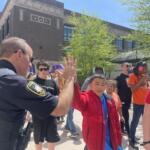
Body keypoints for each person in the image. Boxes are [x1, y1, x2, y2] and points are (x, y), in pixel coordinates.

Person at [0, 37, 76, 150]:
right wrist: (70, 78)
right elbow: (60, 108)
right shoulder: (14, 81)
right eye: (30, 59)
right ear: (19, 54)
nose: (30, 65)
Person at [73, 74, 122, 150]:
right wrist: (73, 83)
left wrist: (119, 139)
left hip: (111, 137)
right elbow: (77, 102)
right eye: (97, 83)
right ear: (90, 85)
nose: (100, 86)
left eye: (103, 84)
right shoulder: (87, 97)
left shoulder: (109, 100)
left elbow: (115, 121)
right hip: (95, 139)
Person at [32, 61, 60, 150]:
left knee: (51, 140)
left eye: (46, 69)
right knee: (38, 141)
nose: (43, 71)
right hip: (37, 116)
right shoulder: (33, 82)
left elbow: (58, 97)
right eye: (41, 69)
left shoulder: (53, 82)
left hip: (51, 115)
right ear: (38, 70)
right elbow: (30, 99)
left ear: (48, 70)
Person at [127, 61, 148, 148]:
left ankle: (146, 140)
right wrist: (142, 80)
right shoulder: (132, 76)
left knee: (146, 122)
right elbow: (133, 89)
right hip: (138, 104)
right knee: (135, 122)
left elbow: (145, 89)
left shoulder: (143, 76)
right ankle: (132, 140)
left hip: (146, 104)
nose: (144, 69)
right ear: (138, 67)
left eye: (145, 67)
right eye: (142, 67)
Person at [116, 62, 132, 136]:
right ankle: (130, 133)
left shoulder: (131, 77)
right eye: (127, 66)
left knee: (123, 115)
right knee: (126, 116)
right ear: (122, 67)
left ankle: (122, 129)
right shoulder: (118, 78)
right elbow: (115, 90)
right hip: (122, 100)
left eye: (129, 66)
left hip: (129, 100)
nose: (128, 67)